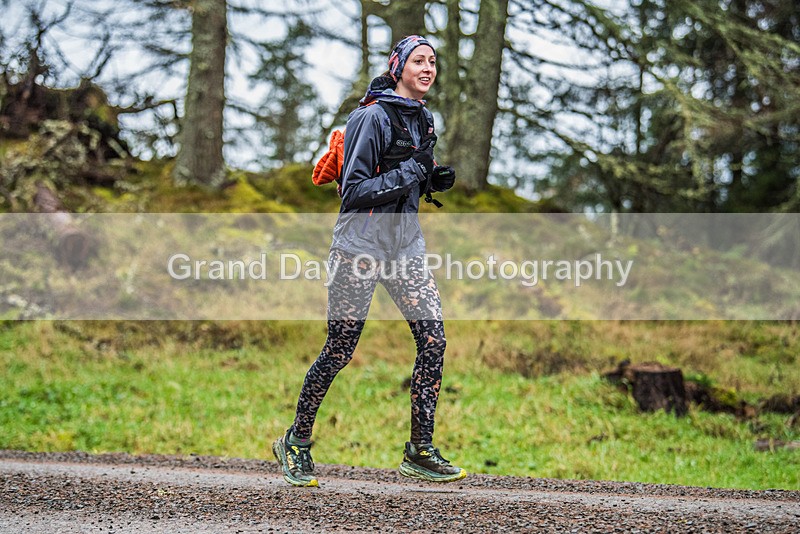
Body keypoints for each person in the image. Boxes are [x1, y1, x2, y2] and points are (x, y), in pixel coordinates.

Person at [272, 35, 463, 487]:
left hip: (404, 248)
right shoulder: (370, 117)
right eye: (418, 61)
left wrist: (431, 180)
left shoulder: (424, 119)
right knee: (339, 350)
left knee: (434, 340)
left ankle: (420, 449)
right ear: (398, 66)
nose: (428, 68)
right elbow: (354, 192)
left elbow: (406, 179)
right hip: (358, 248)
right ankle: (295, 442)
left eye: (433, 62)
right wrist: (414, 171)